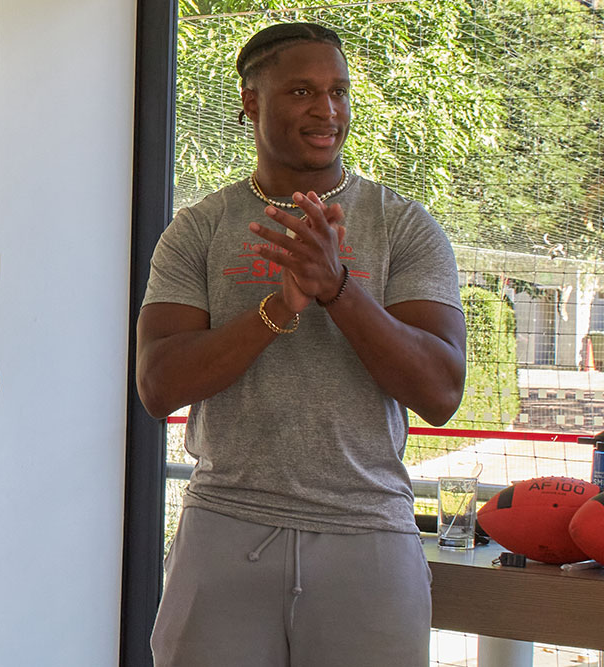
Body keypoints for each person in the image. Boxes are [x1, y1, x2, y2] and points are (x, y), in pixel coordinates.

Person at [137, 23, 466, 666]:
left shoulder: (403, 224)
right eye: (301, 91)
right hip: (224, 529)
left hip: (368, 533)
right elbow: (158, 386)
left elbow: (441, 392)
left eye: (339, 91)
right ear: (251, 101)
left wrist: (337, 288)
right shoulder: (198, 229)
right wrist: (276, 308)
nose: (327, 110)